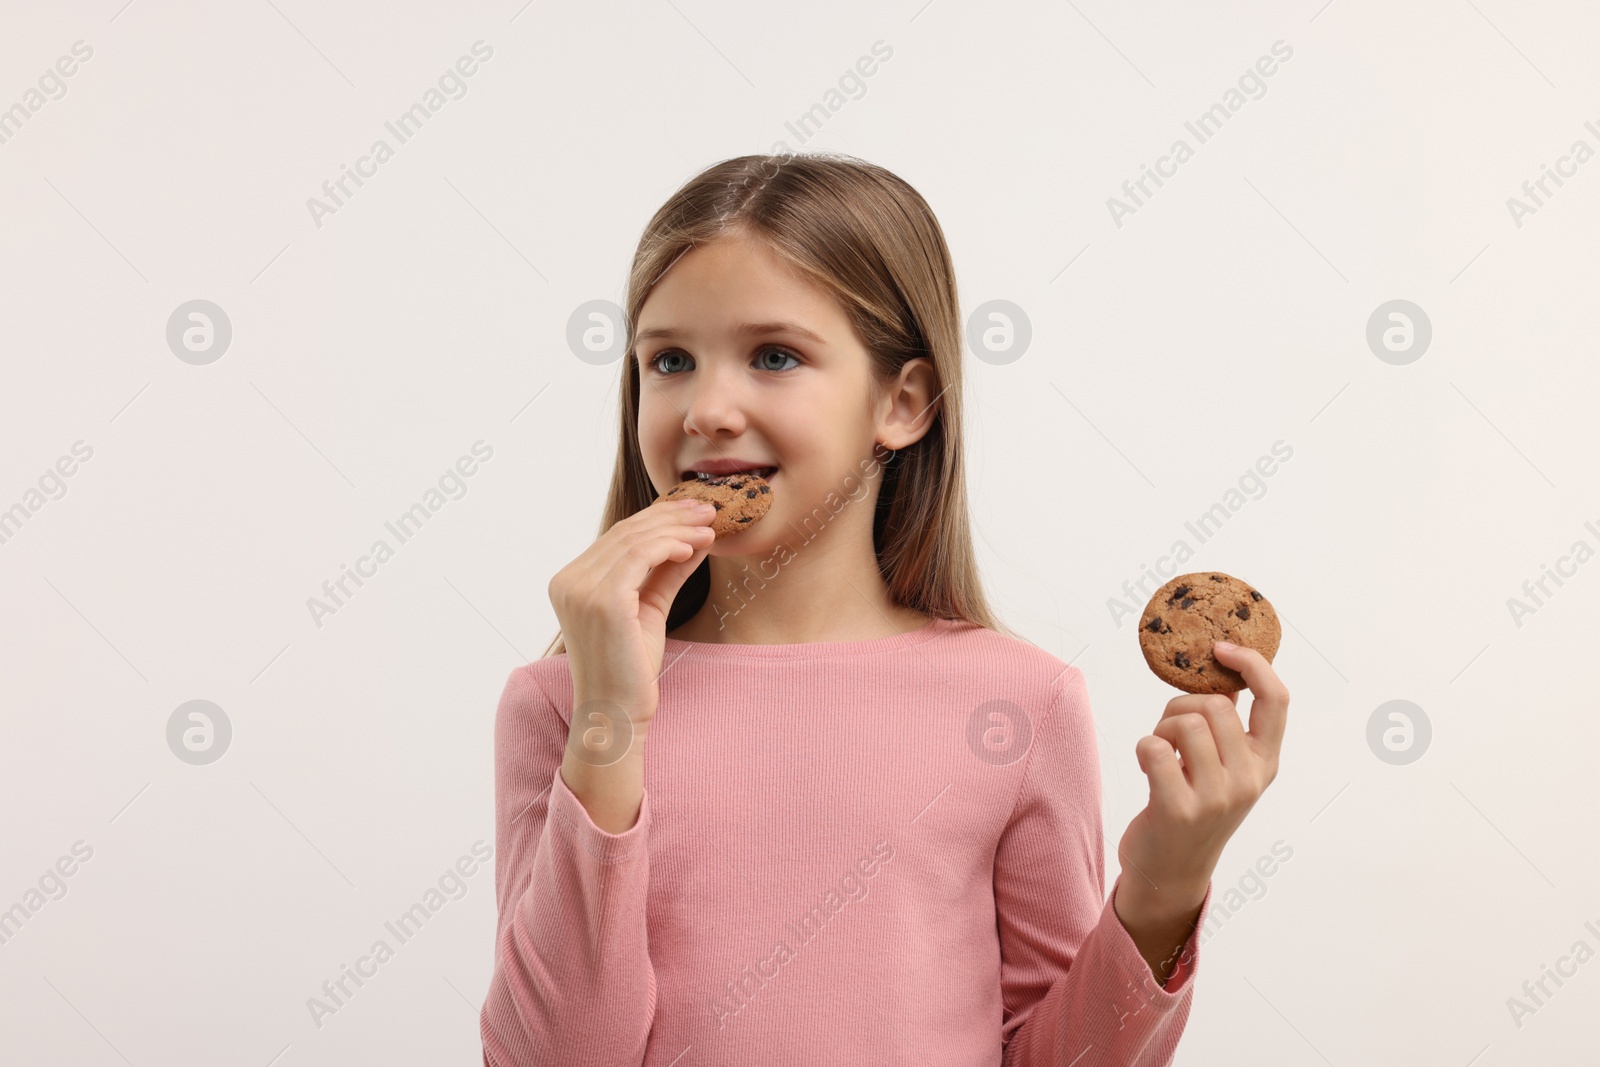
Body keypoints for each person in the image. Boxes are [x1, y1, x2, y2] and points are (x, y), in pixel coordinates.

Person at [479, 152, 1290, 1066]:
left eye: (774, 355)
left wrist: (1164, 887)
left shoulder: (1021, 701)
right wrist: (609, 726)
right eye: (669, 360)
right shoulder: (560, 706)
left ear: (902, 401)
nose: (705, 408)